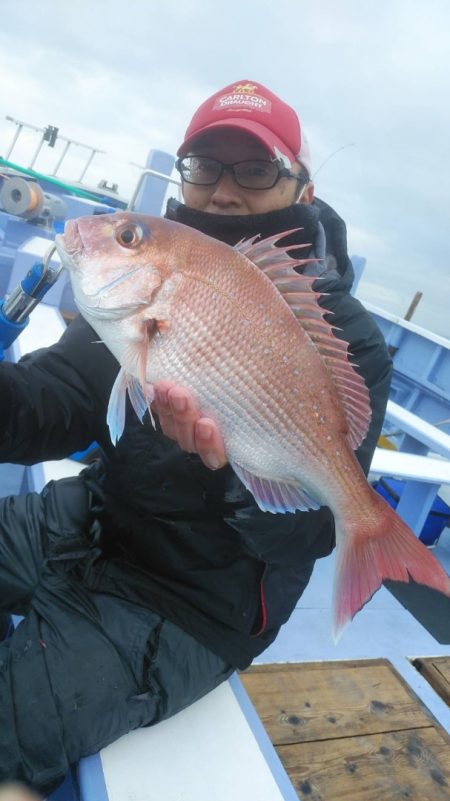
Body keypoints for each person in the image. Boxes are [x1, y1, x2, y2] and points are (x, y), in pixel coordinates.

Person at [0, 79, 392, 794]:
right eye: (205, 166)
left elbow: (301, 533)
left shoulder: (345, 338)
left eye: (255, 168)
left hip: (191, 605)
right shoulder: (151, 284)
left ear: (301, 187)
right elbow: (51, 400)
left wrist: (230, 470)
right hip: (94, 519)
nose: (225, 191)